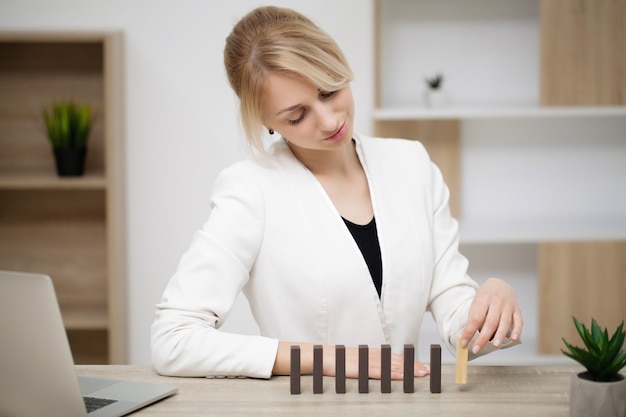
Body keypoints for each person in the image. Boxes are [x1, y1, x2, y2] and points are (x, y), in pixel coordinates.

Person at [151, 5, 523, 380]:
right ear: (265, 121)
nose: (330, 121)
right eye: (296, 116)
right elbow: (172, 340)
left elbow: (459, 325)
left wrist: (492, 304)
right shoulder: (251, 189)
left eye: (330, 91)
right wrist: (325, 359)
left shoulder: (411, 164)